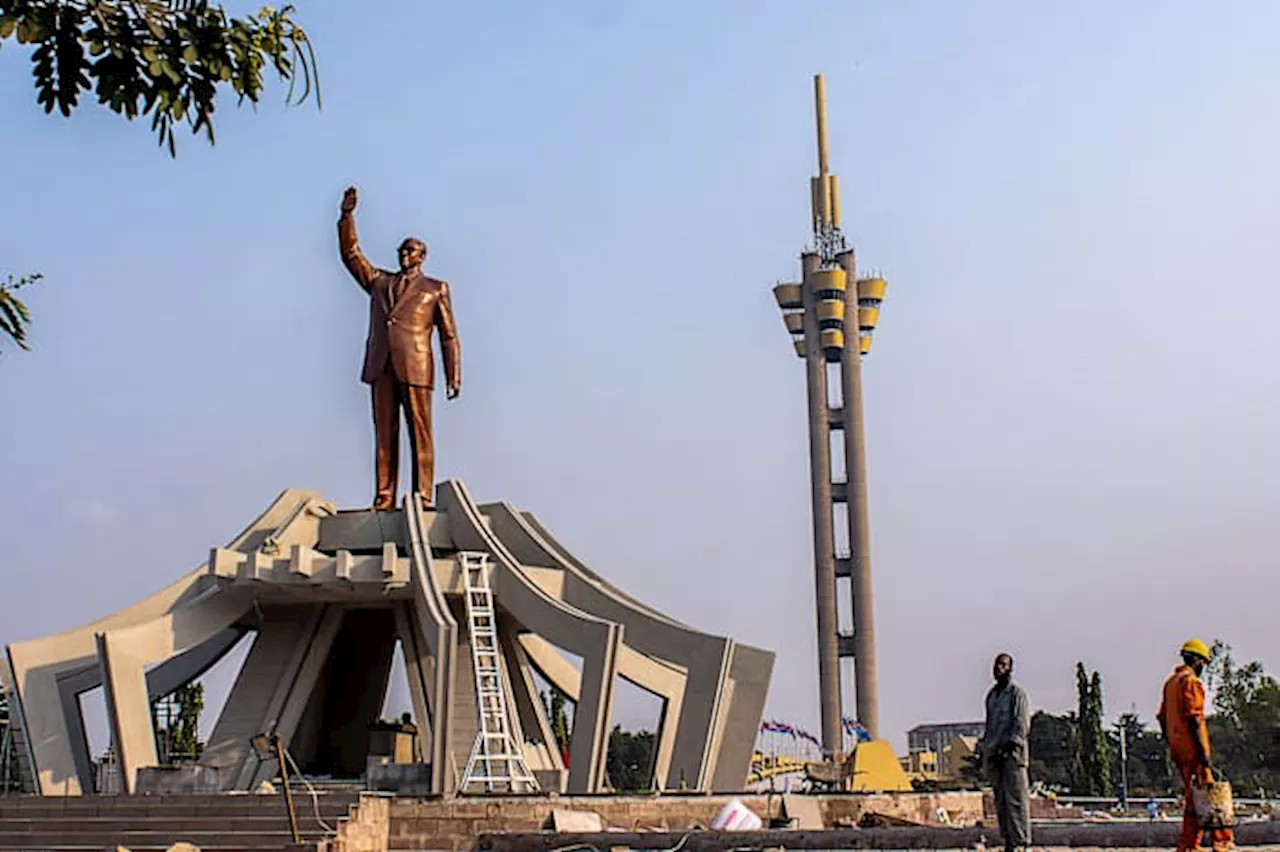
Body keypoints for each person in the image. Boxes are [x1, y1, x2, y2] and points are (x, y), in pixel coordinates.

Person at [337, 186, 461, 511]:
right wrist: (347, 217)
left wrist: (454, 375)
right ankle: (385, 494)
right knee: (384, 435)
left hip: (417, 366)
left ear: (422, 256)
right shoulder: (380, 282)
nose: (404, 256)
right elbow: (352, 256)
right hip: (382, 365)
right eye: (401, 251)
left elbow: (448, 335)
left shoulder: (435, 289)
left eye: (411, 251)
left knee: (420, 432)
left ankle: (423, 494)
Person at [1158, 639, 1234, 852]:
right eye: (1203, 663)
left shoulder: (1171, 683)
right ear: (1197, 660)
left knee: (1193, 796)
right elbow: (1195, 719)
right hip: (1192, 749)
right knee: (1211, 795)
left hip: (1178, 749)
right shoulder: (1190, 682)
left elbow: (1162, 718)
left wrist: (1172, 742)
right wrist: (1203, 753)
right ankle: (1221, 841)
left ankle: (1189, 843)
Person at [981, 652, 1031, 852]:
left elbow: (1021, 724)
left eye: (1002, 665)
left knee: (1016, 800)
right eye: (996, 665)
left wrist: (1008, 746)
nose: (998, 668)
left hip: (1012, 756)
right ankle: (1008, 840)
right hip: (994, 756)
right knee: (1001, 801)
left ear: (1010, 668)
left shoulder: (1017, 694)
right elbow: (990, 725)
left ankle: (1021, 842)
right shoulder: (992, 696)